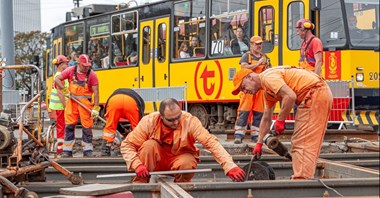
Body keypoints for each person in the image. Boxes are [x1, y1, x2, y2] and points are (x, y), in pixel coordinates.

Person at [232, 66, 333, 179]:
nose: (245, 91)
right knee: (304, 141)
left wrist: (280, 120)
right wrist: (259, 143)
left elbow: (290, 96)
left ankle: (302, 181)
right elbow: (266, 118)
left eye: (243, 87)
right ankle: (303, 177)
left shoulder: (267, 78)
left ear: (249, 77)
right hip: (315, 93)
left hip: (314, 93)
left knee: (302, 142)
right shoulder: (267, 91)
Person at [120, 98, 245, 183]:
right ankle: (140, 187)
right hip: (155, 161)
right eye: (170, 120)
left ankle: (181, 188)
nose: (175, 122)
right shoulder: (149, 121)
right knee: (149, 146)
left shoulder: (189, 121)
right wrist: (138, 165)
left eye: (177, 117)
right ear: (161, 116)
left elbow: (211, 143)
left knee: (188, 161)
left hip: (178, 160)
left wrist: (230, 166)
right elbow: (127, 145)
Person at [54, 54, 100, 157]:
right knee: (69, 125)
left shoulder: (92, 75)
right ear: (79, 64)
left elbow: (96, 92)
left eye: (88, 65)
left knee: (87, 127)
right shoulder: (71, 70)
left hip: (85, 104)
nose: (86, 67)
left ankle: (87, 150)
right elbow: (57, 79)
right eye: (84, 65)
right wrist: (64, 89)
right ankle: (67, 150)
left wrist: (96, 108)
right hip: (72, 102)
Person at [234, 36, 271, 144]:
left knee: (259, 111)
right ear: (251, 45)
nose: (259, 46)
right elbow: (244, 68)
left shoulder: (265, 57)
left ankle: (255, 134)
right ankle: (239, 134)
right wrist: (258, 63)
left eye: (260, 44)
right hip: (248, 88)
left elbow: (269, 70)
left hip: (260, 88)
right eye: (257, 44)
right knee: (244, 110)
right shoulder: (247, 56)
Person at [101, 88, 145, 156]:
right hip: (132, 102)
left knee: (110, 127)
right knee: (137, 129)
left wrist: (123, 131)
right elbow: (141, 125)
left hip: (114, 100)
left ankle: (105, 150)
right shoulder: (140, 102)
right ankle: (137, 150)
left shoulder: (116, 94)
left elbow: (114, 124)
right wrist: (126, 132)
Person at [48, 55, 69, 153]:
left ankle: (61, 147)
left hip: (58, 106)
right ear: (61, 65)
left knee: (62, 126)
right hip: (60, 106)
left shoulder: (58, 75)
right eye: (66, 63)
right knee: (61, 127)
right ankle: (60, 149)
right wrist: (66, 105)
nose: (67, 65)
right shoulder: (60, 76)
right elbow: (60, 93)